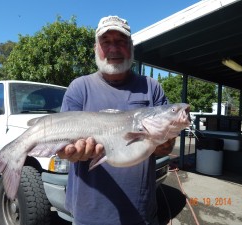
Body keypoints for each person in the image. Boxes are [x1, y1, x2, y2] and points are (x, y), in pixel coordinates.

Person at [57, 15, 176, 225]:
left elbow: (165, 149)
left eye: (121, 42)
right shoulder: (79, 88)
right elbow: (66, 149)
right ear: (96, 47)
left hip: (141, 214)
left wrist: (165, 138)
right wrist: (74, 153)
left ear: (131, 47)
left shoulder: (152, 87)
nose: (113, 49)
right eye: (106, 42)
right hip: (89, 216)